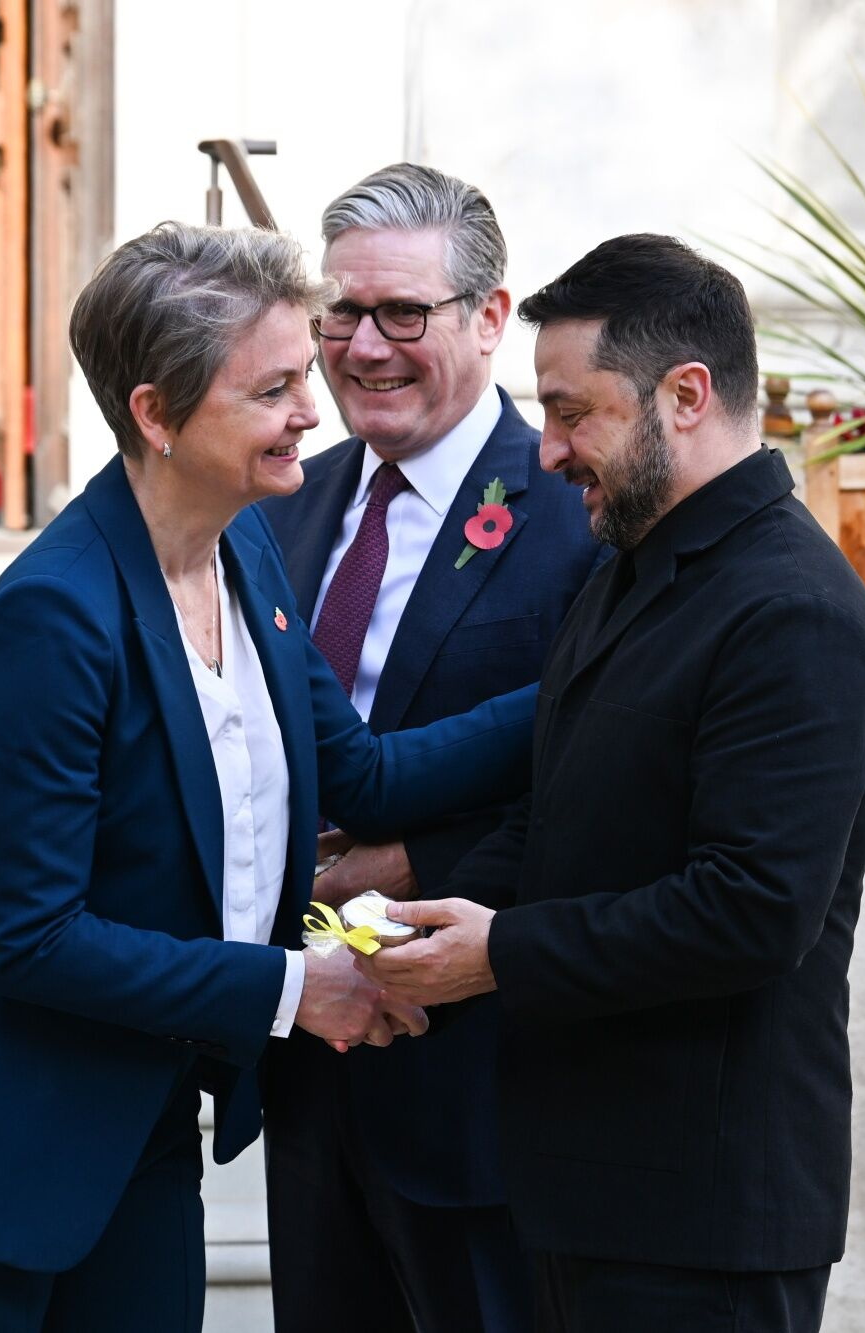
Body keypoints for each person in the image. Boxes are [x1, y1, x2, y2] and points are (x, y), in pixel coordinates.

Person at [0, 222, 536, 1333]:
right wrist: (298, 990)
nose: (312, 409)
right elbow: (31, 935)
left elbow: (368, 776)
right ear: (155, 413)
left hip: (137, 1134)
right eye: (275, 387)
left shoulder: (245, 552)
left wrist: (592, 686)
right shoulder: (50, 618)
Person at [359, 234, 865, 1333]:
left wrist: (495, 953)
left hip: (701, 1220)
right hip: (583, 1196)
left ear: (685, 395)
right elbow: (564, 814)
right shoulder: (633, 570)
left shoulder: (791, 611)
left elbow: (748, 912)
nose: (548, 452)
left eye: (573, 413)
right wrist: (401, 928)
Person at [256, 162, 598, 1333]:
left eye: (403, 313)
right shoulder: (284, 495)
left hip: (475, 1073)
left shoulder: (573, 512)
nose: (362, 347)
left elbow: (596, 769)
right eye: (339, 313)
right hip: (307, 1060)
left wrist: (404, 865)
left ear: (491, 317)